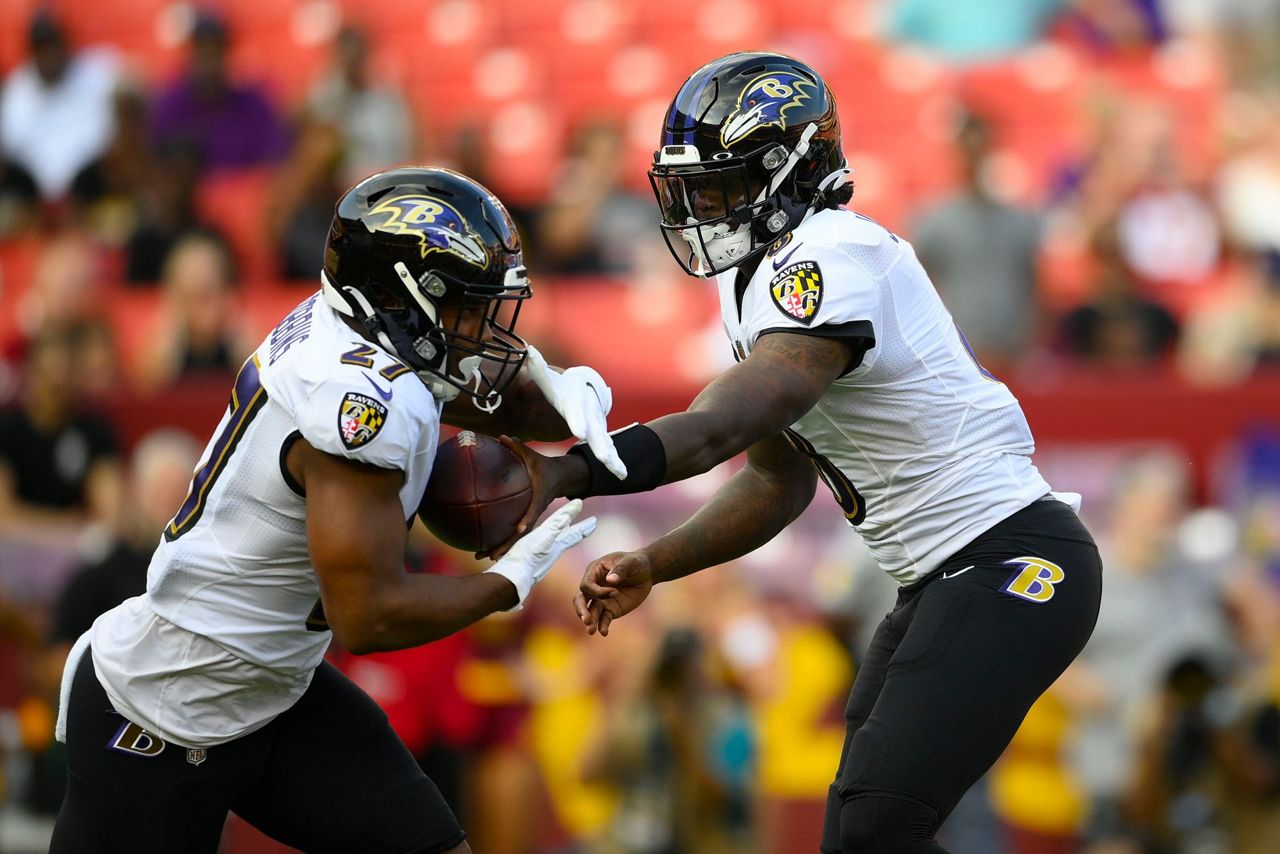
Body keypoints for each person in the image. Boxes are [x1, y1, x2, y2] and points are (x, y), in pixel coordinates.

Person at [512, 52, 1104, 853]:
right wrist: (659, 561)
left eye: (721, 184)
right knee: (856, 832)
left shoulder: (833, 252)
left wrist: (570, 468)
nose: (702, 207)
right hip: (936, 578)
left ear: (789, 171)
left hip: (1010, 559)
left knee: (879, 818)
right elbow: (776, 481)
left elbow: (736, 417)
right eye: (694, 187)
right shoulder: (750, 280)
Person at [49, 166, 624, 853]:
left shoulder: (363, 333)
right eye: (466, 303)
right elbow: (368, 616)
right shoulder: (350, 397)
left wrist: (553, 382)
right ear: (402, 300)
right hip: (168, 707)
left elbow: (450, 379)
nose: (481, 326)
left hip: (276, 687)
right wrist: (507, 582)